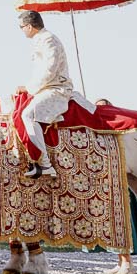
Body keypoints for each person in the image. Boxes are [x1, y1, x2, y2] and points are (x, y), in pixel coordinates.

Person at [16, 10, 95, 179]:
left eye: (21, 27)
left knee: (28, 115)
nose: (21, 30)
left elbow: (49, 70)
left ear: (29, 26)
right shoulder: (41, 41)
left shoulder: (49, 40)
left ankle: (45, 165)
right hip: (45, 88)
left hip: (56, 90)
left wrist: (29, 88)